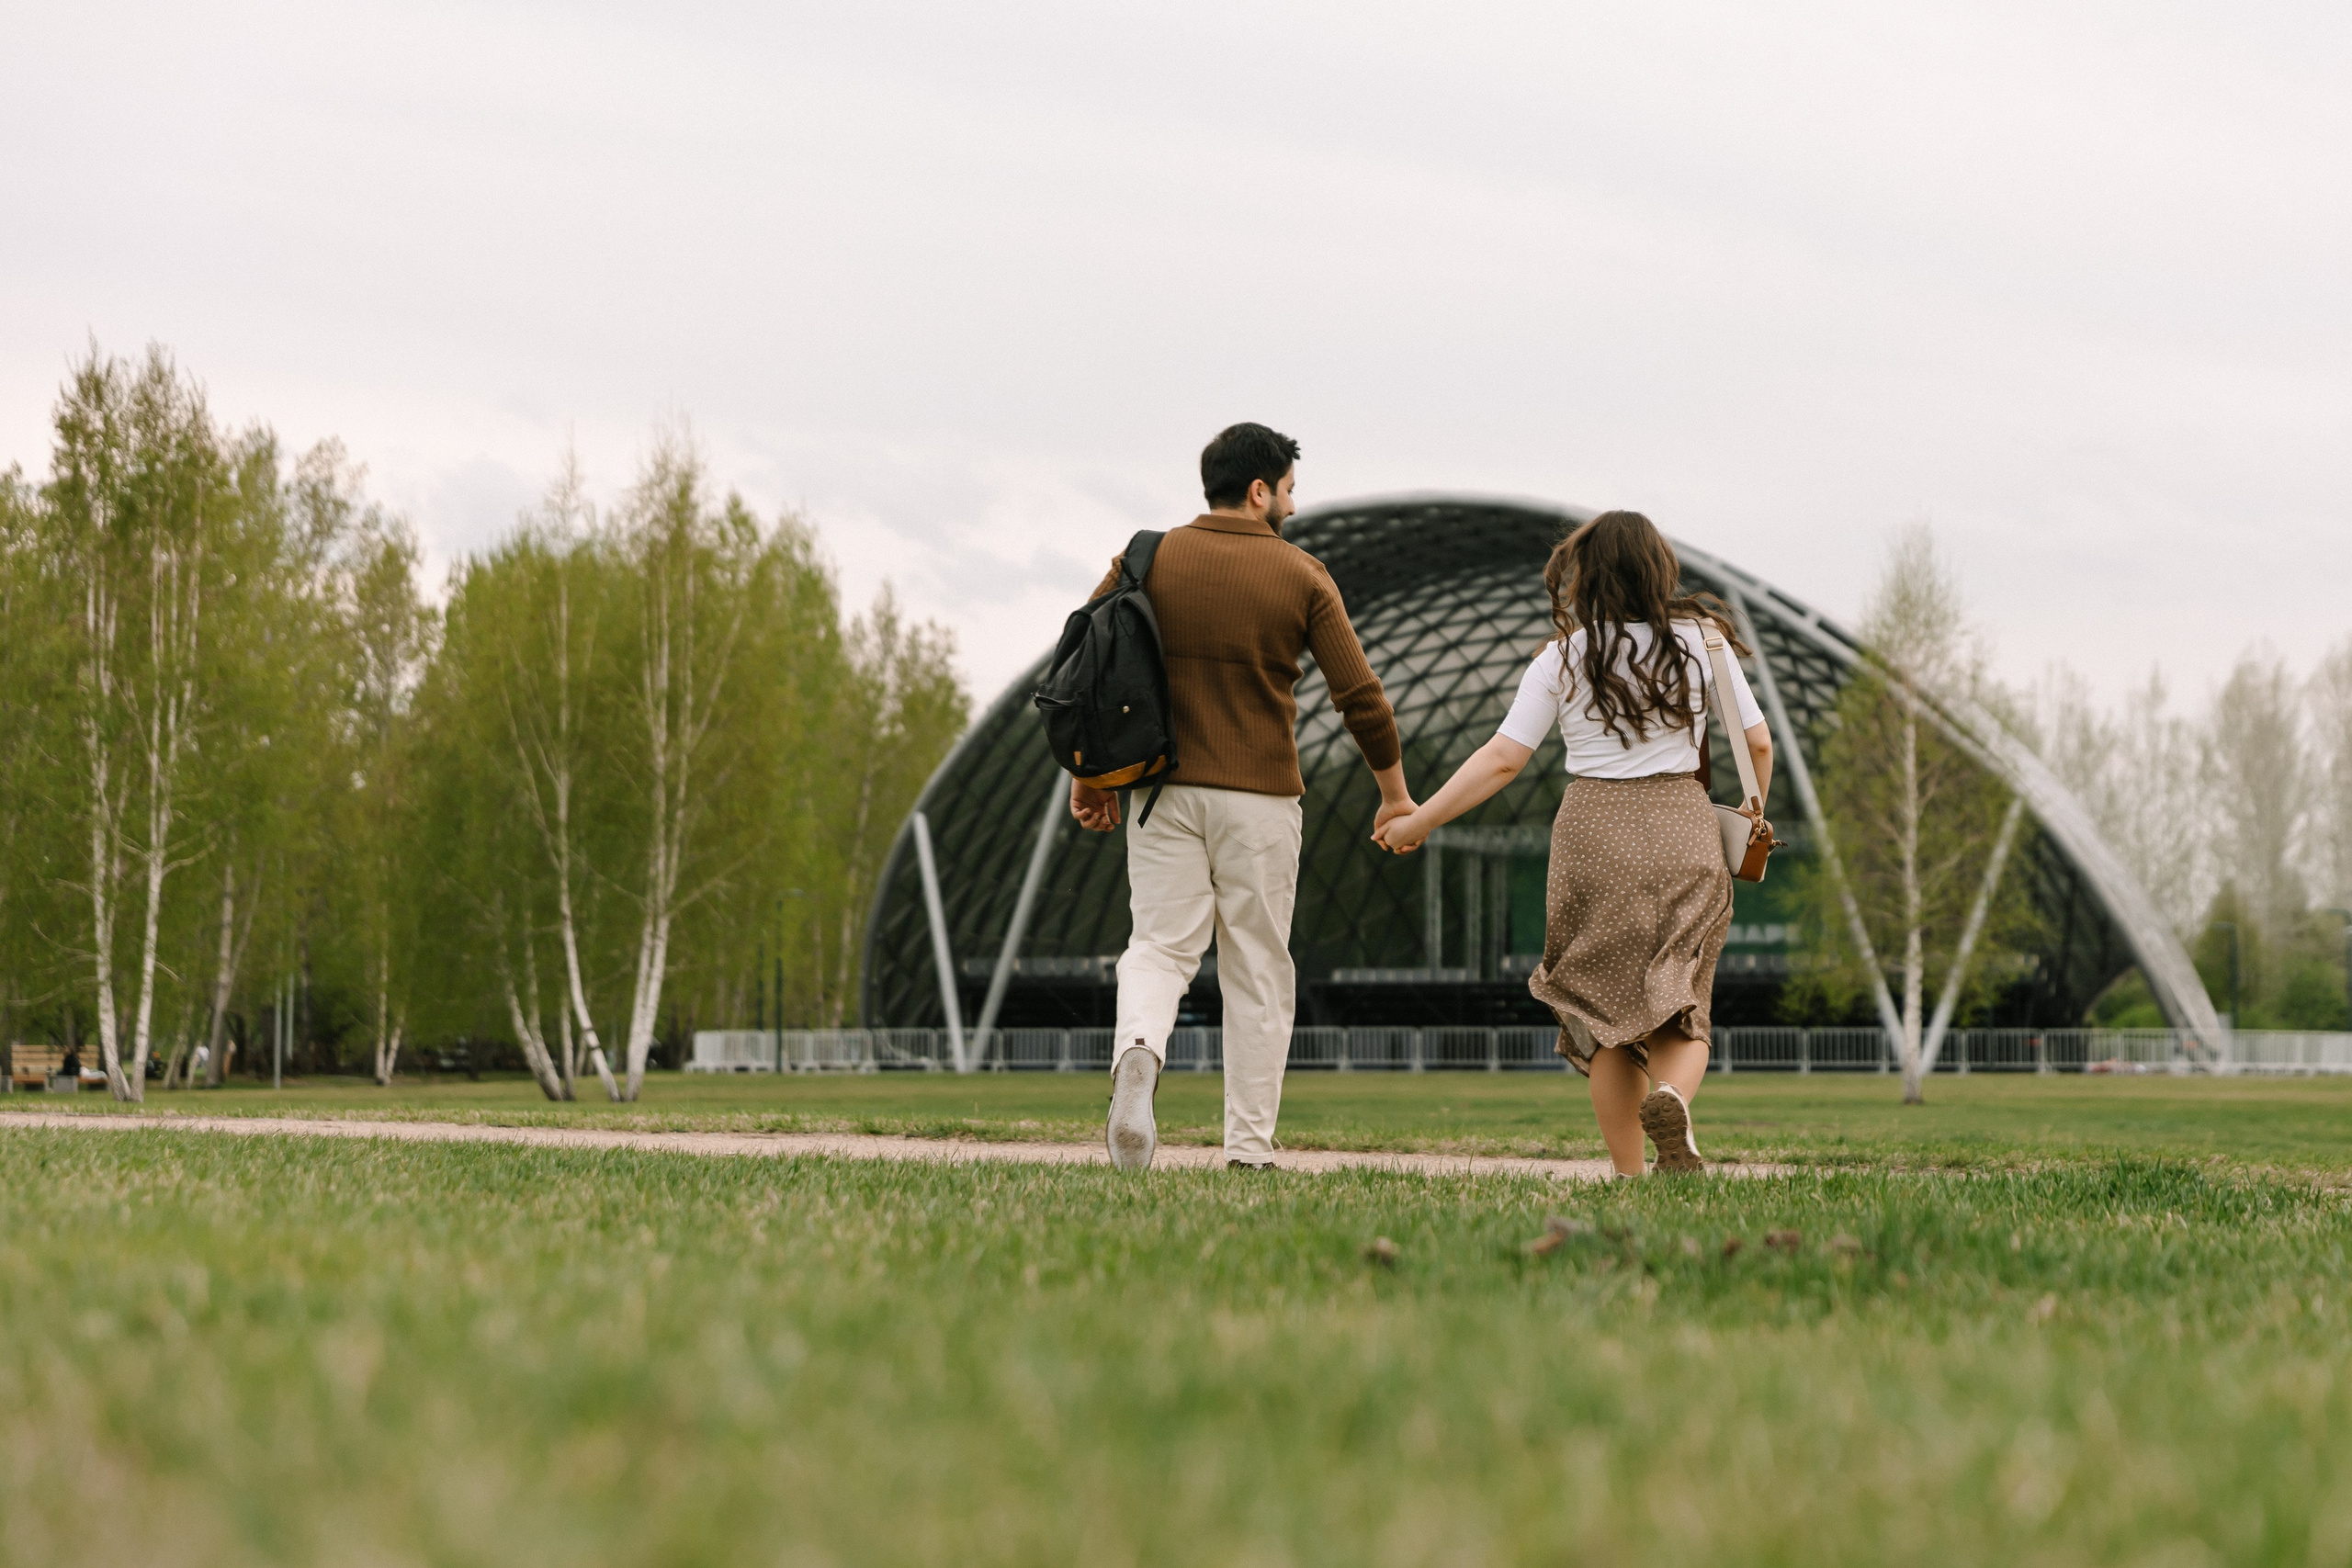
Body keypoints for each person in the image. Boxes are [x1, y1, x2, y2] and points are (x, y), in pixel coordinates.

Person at [1375, 511, 1772, 1176]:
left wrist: (1419, 821)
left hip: (1592, 833)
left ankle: (1629, 1177)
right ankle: (1672, 1094)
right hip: (1683, 822)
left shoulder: (1562, 655)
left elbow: (1503, 758)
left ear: (1585, 577)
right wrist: (1754, 810)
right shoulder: (1705, 643)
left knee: (1602, 1011)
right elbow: (1757, 742)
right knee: (1683, 1004)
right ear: (1659, 570)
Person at [1073, 423, 1414, 1171]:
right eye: (1289, 489)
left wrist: (1089, 776)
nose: (1292, 503)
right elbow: (1360, 694)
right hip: (1261, 797)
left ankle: (1138, 1053)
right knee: (1257, 967)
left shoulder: (1146, 557)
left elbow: (1089, 667)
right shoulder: (1302, 574)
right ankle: (1249, 1152)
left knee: (1160, 947)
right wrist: (1392, 793)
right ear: (1260, 490)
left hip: (1163, 790)